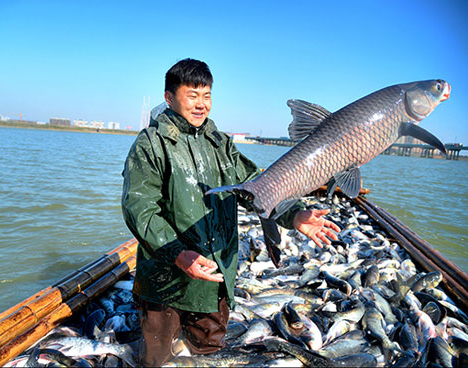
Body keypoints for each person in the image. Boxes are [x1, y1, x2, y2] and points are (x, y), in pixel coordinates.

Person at [121, 58, 339, 367]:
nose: (201, 104)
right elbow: (139, 208)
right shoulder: (151, 144)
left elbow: (258, 187)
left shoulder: (220, 143)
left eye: (206, 95)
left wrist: (295, 215)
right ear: (169, 98)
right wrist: (178, 254)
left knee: (209, 354)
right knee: (155, 357)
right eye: (192, 95)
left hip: (214, 273)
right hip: (165, 278)